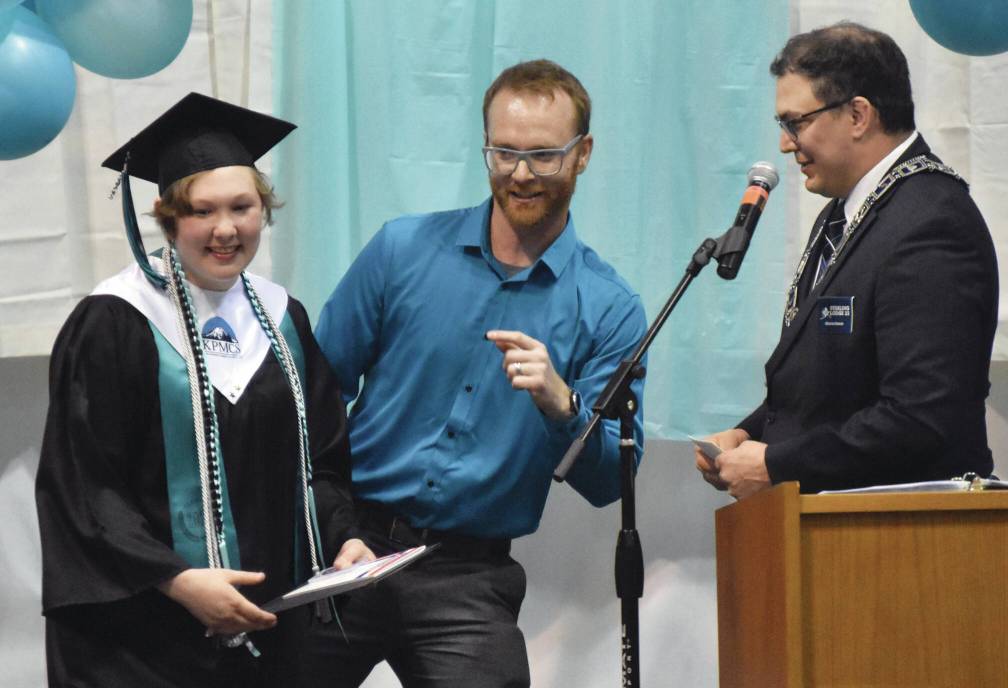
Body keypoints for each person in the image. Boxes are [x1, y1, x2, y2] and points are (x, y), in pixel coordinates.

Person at [308, 59, 647, 686]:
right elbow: (314, 394)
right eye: (503, 153)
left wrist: (561, 405)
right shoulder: (401, 250)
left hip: (464, 579)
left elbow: (608, 483)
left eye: (544, 155)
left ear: (583, 155)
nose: (520, 175)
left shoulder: (610, 309)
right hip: (344, 548)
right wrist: (325, 521)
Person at [35, 93, 372, 687]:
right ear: (169, 218)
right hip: (144, 637)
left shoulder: (280, 317)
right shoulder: (116, 320)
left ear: (263, 211)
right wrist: (177, 579)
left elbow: (320, 460)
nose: (225, 229)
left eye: (242, 207)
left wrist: (344, 538)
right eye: (201, 211)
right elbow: (84, 487)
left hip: (265, 627)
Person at [695, 22, 999, 499]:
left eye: (795, 123)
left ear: (858, 115)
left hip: (906, 540)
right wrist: (751, 436)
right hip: (840, 534)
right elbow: (831, 388)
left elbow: (922, 416)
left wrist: (778, 462)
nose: (784, 143)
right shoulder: (846, 212)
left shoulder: (931, 222)